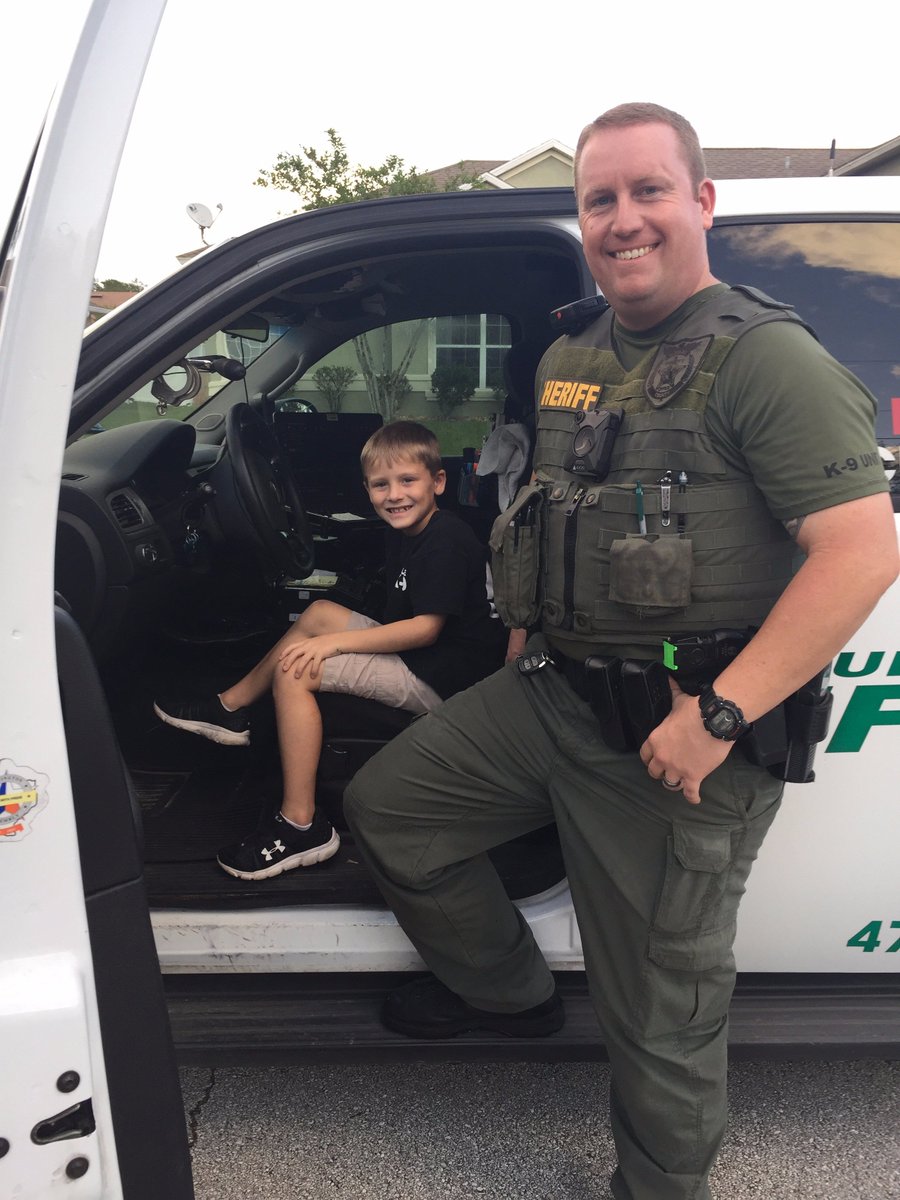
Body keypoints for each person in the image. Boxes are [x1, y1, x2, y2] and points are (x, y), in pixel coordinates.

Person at [343, 104, 900, 1199]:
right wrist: (517, 645)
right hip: (551, 692)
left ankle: (659, 1188)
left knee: (658, 1010)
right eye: (601, 198)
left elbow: (860, 549)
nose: (623, 218)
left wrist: (722, 715)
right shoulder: (574, 354)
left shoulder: (765, 361)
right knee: (392, 810)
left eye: (649, 191)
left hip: (680, 732)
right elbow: (548, 518)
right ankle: (507, 994)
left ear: (700, 201)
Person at [155, 420, 506, 882]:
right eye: (381, 485)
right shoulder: (406, 532)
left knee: (296, 668)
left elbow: (424, 630)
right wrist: (328, 634)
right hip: (426, 656)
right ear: (367, 489)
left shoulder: (448, 539)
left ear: (437, 482)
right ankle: (229, 709)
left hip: (446, 679)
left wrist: (332, 645)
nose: (394, 495)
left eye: (408, 481)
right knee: (319, 611)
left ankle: (302, 825)